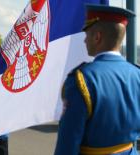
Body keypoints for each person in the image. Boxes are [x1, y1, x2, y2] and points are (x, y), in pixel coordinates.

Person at [54, 4, 140, 155]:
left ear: (97, 36)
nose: (85, 41)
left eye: (86, 35)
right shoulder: (137, 74)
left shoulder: (81, 79)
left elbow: (68, 143)